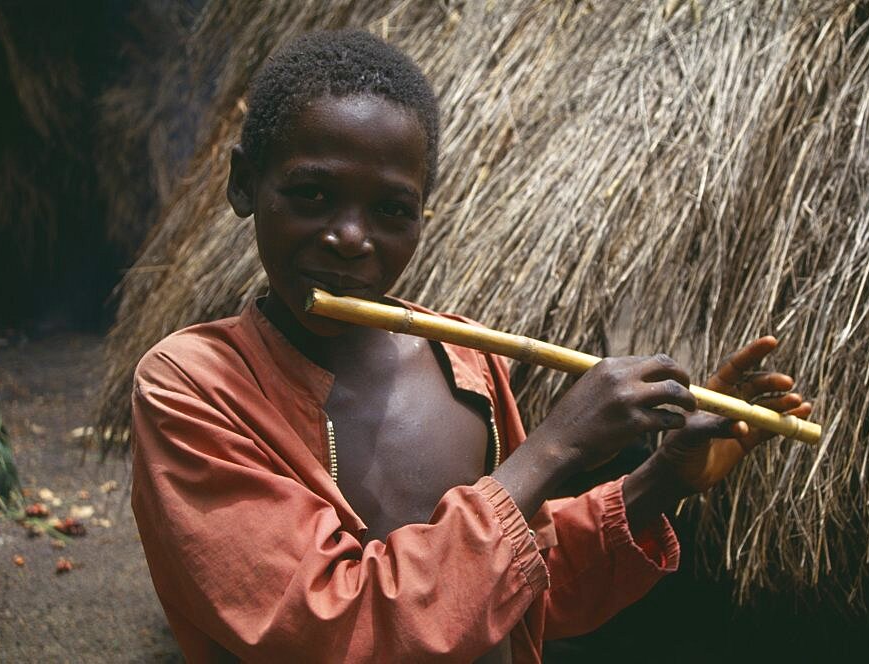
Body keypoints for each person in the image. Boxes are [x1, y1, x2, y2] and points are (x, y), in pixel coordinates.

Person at [130, 30, 811, 663]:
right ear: (245, 182)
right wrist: (554, 448)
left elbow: (517, 584)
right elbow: (325, 627)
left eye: (391, 210)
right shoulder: (193, 386)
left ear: (424, 213)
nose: (350, 237)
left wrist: (660, 480)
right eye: (312, 194)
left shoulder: (465, 366)